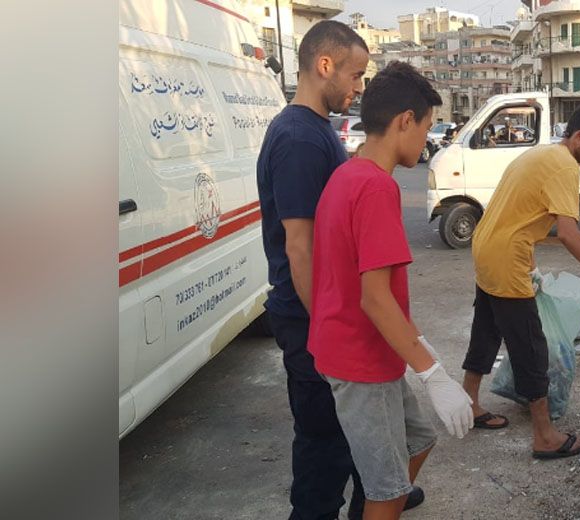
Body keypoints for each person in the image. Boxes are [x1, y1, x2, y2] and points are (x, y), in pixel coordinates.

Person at [308, 61, 474, 519]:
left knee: (418, 441)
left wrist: (419, 348)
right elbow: (374, 298)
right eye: (425, 129)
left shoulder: (348, 173)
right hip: (360, 361)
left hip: (358, 351)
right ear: (405, 121)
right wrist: (433, 374)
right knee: (385, 488)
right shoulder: (376, 187)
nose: (425, 142)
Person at [459, 101, 580, 459]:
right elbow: (569, 234)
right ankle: (545, 435)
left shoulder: (541, 154)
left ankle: (469, 403)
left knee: (486, 329)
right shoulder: (563, 167)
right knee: (530, 346)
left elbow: (517, 214)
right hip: (506, 258)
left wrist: (532, 265)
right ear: (578, 137)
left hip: (488, 250)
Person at [255, 20, 370, 520]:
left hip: (318, 310)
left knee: (346, 424)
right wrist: (324, 328)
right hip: (308, 318)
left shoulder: (314, 127)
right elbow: (299, 247)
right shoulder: (300, 137)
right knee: (323, 442)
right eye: (356, 75)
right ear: (325, 66)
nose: (360, 86)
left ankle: (379, 490)